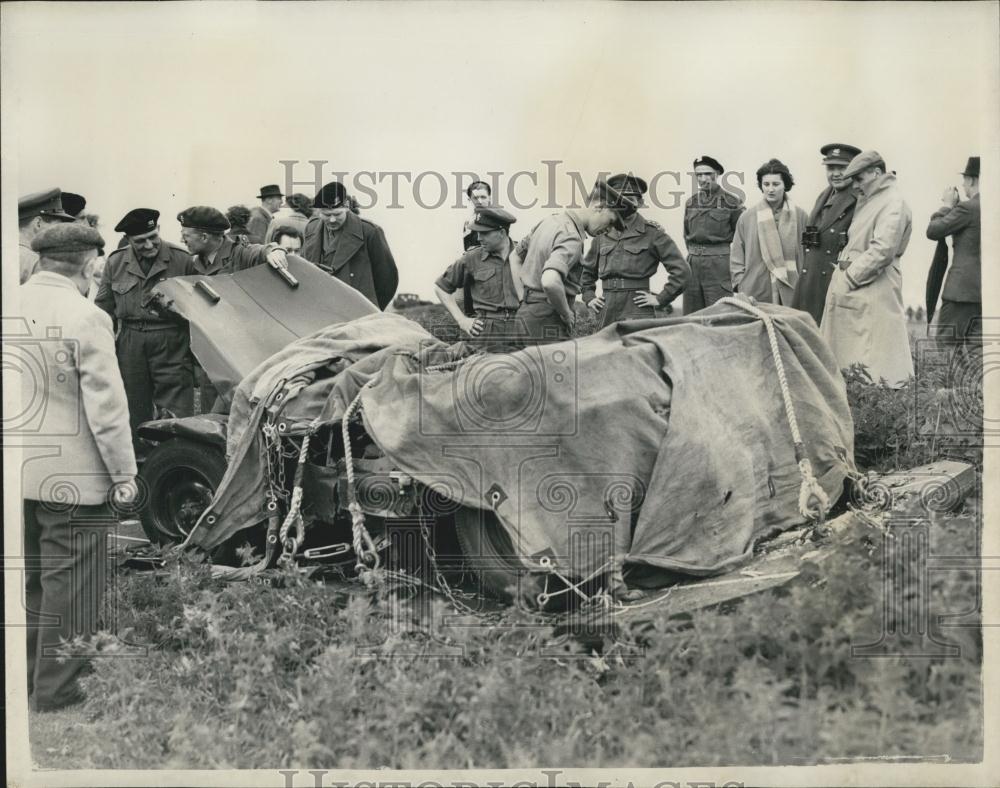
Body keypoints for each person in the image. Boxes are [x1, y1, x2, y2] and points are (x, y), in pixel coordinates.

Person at [19, 222, 137, 711]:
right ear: (89, 263)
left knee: (31, 580)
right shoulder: (85, 315)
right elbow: (106, 407)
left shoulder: (11, 303)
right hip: (73, 477)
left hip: (17, 470)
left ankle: (28, 677)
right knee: (72, 585)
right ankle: (57, 689)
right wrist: (125, 475)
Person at [95, 208, 199, 451]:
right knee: (132, 405)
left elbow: (199, 309)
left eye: (153, 236)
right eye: (140, 241)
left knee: (175, 408)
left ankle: (175, 460)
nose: (150, 244)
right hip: (131, 342)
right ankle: (138, 464)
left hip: (171, 339)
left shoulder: (182, 259)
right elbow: (102, 310)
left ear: (159, 230)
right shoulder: (116, 261)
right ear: (129, 240)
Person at [178, 206, 292, 412]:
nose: (182, 241)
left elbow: (261, 251)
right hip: (211, 350)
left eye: (186, 236)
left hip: (241, 354)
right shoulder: (194, 264)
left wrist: (274, 250)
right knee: (208, 414)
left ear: (204, 237)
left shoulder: (239, 253)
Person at [821, 151, 914, 386]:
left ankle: (881, 406)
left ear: (877, 172)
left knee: (878, 356)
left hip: (873, 286)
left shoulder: (893, 202)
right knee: (856, 355)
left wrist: (850, 278)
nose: (857, 186)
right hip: (860, 287)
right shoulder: (873, 200)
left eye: (860, 179)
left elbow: (883, 250)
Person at [509, 178, 633, 346]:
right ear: (600, 207)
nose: (609, 230)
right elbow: (550, 281)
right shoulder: (572, 237)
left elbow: (514, 257)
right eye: (611, 222)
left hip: (525, 315)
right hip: (548, 319)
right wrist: (566, 313)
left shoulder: (549, 221)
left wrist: (524, 299)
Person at [581, 173, 689, 329]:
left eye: (630, 199)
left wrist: (661, 298)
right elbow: (587, 271)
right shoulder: (602, 232)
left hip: (637, 307)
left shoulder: (652, 233)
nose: (624, 204)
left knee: (637, 350)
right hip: (606, 308)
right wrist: (589, 296)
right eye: (620, 199)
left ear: (640, 202)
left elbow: (682, 271)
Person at [791, 144, 862, 325]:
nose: (835, 173)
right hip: (810, 280)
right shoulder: (825, 195)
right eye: (831, 168)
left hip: (833, 284)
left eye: (842, 168)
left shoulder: (859, 199)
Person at [434, 206, 521, 352]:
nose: (479, 238)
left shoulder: (524, 254)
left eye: (484, 233)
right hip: (486, 335)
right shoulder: (472, 258)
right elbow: (441, 288)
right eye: (477, 233)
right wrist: (462, 320)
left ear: (502, 232)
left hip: (523, 329)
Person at [301, 181, 399, 309]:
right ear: (318, 211)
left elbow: (387, 279)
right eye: (326, 215)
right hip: (319, 310)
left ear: (347, 207)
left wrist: (370, 309)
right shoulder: (311, 228)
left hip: (356, 314)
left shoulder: (370, 232)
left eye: (337, 214)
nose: (332, 220)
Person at [730, 158, 809, 305]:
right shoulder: (747, 217)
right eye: (766, 184)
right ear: (761, 186)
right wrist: (741, 284)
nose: (770, 189)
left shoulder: (801, 216)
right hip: (756, 290)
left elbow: (808, 254)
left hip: (792, 288)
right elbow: (737, 256)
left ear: (785, 185)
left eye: (776, 184)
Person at [926, 156, 980, 350]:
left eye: (965, 179)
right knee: (977, 354)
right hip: (985, 294)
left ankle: (948, 382)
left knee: (946, 349)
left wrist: (947, 206)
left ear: (972, 180)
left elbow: (933, 230)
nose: (964, 184)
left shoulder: (968, 208)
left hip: (960, 294)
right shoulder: (989, 207)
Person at [682, 155, 745, 313]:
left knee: (720, 314)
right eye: (699, 175)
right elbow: (687, 235)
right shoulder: (691, 203)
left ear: (717, 174)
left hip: (719, 266)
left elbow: (743, 238)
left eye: (707, 174)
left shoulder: (732, 202)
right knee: (691, 315)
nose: (703, 179)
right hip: (692, 265)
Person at [18, 188, 76, 284]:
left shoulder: (8, 253)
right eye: (56, 226)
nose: (58, 232)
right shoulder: (37, 264)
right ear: (38, 223)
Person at [462, 180, 493, 251]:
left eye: (483, 197)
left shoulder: (497, 219)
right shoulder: (468, 223)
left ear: (489, 198)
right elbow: (467, 249)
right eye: (475, 198)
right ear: (469, 200)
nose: (480, 201)